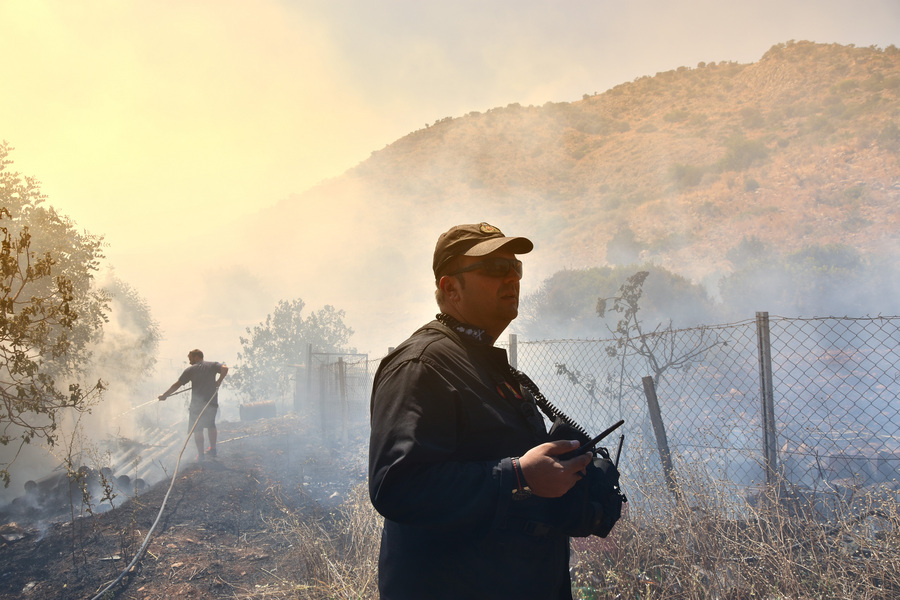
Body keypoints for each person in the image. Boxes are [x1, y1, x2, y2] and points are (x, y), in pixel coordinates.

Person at [368, 222, 619, 600]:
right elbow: (396, 486)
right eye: (494, 269)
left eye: (515, 268)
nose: (511, 279)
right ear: (449, 288)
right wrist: (518, 476)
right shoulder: (422, 365)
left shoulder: (485, 363)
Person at [159, 349, 228, 460]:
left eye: (190, 359)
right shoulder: (213, 365)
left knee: (198, 428)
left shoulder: (190, 370)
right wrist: (219, 381)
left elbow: (177, 384)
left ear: (196, 357)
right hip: (211, 401)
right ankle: (213, 450)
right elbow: (225, 368)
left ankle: (201, 455)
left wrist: (165, 395)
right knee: (211, 425)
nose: (190, 362)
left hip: (197, 404)